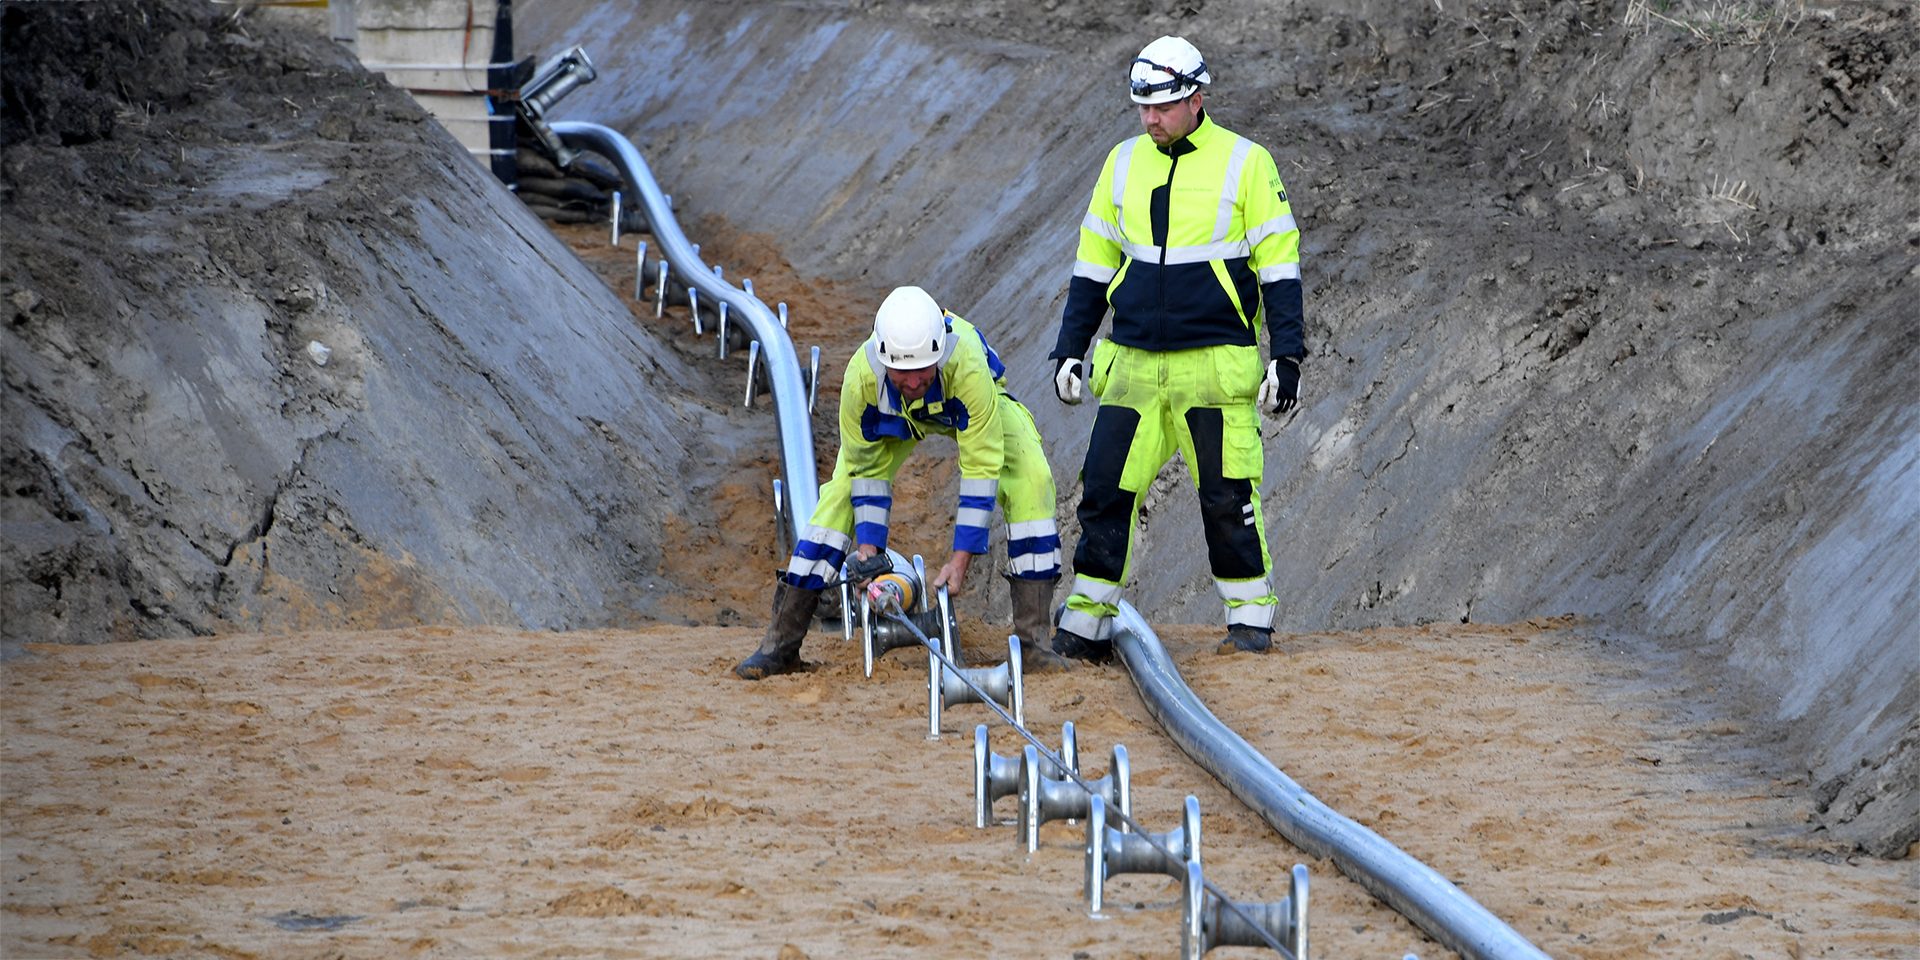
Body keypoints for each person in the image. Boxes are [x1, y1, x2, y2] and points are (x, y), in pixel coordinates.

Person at [1047, 36, 1305, 661]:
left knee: (1226, 496)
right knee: (1103, 491)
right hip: (1131, 365)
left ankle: (1249, 626)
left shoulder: (1247, 163)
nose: (1149, 120)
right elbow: (1092, 264)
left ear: (1196, 98)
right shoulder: (1122, 163)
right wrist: (1070, 348)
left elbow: (1279, 265)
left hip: (1215, 368)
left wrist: (1288, 355)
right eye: (1141, 108)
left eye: (1160, 107)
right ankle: (1085, 626)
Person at [736, 286, 1073, 679]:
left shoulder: (966, 367)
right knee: (839, 497)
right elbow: (867, 473)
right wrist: (868, 556)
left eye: (922, 371)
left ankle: (1034, 646)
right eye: (902, 372)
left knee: (1031, 476)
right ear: (883, 359)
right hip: (892, 419)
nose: (913, 382)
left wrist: (960, 561)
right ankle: (780, 646)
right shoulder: (861, 381)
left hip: (964, 406)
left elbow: (982, 467)